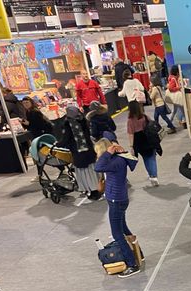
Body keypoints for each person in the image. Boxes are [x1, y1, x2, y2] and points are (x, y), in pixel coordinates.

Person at [94, 135, 141, 278]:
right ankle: (138, 253)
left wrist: (108, 153)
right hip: (120, 198)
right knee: (123, 227)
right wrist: (120, 152)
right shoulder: (120, 158)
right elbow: (133, 163)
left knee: (117, 234)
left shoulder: (113, 161)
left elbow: (98, 167)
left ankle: (132, 264)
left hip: (116, 200)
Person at [60, 105, 102, 201]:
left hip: (79, 154)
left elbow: (66, 139)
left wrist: (57, 144)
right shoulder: (83, 120)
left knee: (84, 173)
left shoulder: (68, 124)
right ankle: (97, 188)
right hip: (89, 152)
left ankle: (92, 190)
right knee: (92, 171)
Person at [127, 100, 162, 187]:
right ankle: (154, 176)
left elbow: (130, 134)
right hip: (148, 138)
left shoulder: (130, 121)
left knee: (146, 159)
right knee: (152, 158)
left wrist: (131, 146)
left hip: (138, 142)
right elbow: (152, 125)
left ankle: (151, 175)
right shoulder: (144, 117)